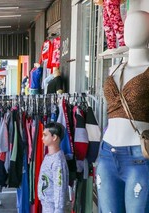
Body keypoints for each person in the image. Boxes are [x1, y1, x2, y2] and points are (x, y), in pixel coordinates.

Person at [97, 11, 149, 212]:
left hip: (138, 155)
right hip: (107, 152)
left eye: (138, 25)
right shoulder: (115, 69)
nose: (129, 31)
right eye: (128, 24)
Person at [37, 122, 70, 213]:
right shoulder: (49, 157)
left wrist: (58, 209)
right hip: (47, 204)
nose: (42, 138)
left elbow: (59, 187)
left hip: (53, 207)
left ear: (54, 137)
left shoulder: (58, 161)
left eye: (45, 135)